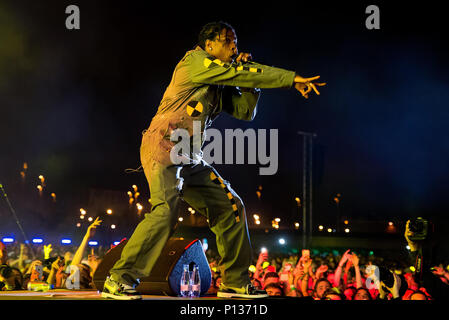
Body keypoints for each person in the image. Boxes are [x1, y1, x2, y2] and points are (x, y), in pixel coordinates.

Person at [102, 21, 325, 300]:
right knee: (165, 211)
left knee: (231, 207)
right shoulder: (194, 61)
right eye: (228, 41)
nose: (235, 46)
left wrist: (252, 85)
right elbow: (241, 74)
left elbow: (245, 112)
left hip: (189, 154)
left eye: (236, 42)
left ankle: (234, 282)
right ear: (209, 45)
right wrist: (290, 79)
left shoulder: (219, 80)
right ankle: (119, 279)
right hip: (163, 145)